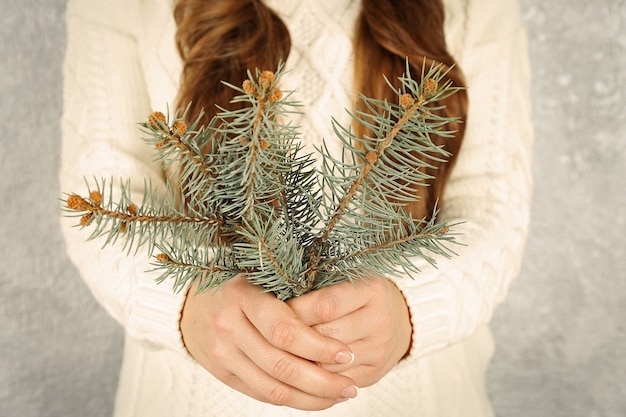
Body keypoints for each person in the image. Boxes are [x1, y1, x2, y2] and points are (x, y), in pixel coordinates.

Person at [59, 0, 533, 416]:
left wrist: (413, 310)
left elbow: (492, 201)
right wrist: (185, 308)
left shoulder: (475, 6)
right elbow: (104, 198)